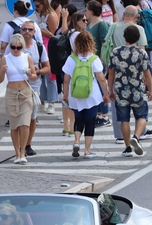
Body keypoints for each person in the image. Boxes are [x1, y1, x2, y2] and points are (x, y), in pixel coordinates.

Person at [105, 5, 152, 144]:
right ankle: (137, 136)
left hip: (121, 88)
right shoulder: (141, 53)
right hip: (137, 87)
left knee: (123, 118)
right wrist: (150, 90)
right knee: (142, 115)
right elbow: (147, 73)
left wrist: (110, 90)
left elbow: (111, 73)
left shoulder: (115, 52)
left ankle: (126, 145)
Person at [62, 30, 110, 159]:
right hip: (91, 95)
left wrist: (65, 95)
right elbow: (101, 79)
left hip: (75, 95)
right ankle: (87, 150)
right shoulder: (94, 59)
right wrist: (106, 94)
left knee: (79, 119)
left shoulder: (71, 59)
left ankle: (76, 141)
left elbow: (66, 80)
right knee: (89, 122)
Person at [0, 33, 38, 164]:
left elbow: (34, 77)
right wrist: (3, 71)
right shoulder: (5, 58)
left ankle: (22, 152)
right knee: (14, 125)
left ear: (22, 47)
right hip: (11, 93)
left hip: (25, 93)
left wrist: (30, 74)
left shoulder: (27, 57)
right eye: (13, 47)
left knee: (25, 124)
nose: (15, 50)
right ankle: (17, 153)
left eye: (18, 47)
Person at [18, 20, 51, 157]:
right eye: (24, 29)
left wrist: (37, 72)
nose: (27, 32)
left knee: (32, 118)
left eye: (30, 30)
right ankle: (20, 145)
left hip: (34, 87)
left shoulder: (39, 47)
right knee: (20, 118)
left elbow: (47, 68)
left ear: (34, 32)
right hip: (18, 86)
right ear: (20, 31)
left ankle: (27, 145)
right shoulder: (15, 45)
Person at [59, 10, 86, 137]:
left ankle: (66, 126)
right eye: (84, 20)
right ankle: (72, 125)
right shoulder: (77, 35)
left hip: (67, 64)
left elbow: (64, 31)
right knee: (71, 96)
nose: (86, 23)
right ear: (77, 21)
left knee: (66, 95)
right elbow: (78, 50)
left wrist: (64, 18)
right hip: (75, 66)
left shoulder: (70, 32)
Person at [85, 0, 111, 128]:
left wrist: (101, 60)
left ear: (92, 11)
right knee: (95, 87)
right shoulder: (89, 24)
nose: (85, 12)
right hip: (89, 60)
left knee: (101, 86)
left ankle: (105, 114)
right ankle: (99, 113)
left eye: (86, 9)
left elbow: (104, 44)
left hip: (97, 60)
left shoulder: (101, 25)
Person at [33, 0, 59, 115]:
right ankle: (42, 100)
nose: (37, 8)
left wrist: (38, 30)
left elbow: (52, 34)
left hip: (49, 45)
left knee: (50, 75)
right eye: (35, 6)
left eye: (38, 6)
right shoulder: (39, 14)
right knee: (41, 74)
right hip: (39, 45)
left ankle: (52, 102)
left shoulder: (51, 15)